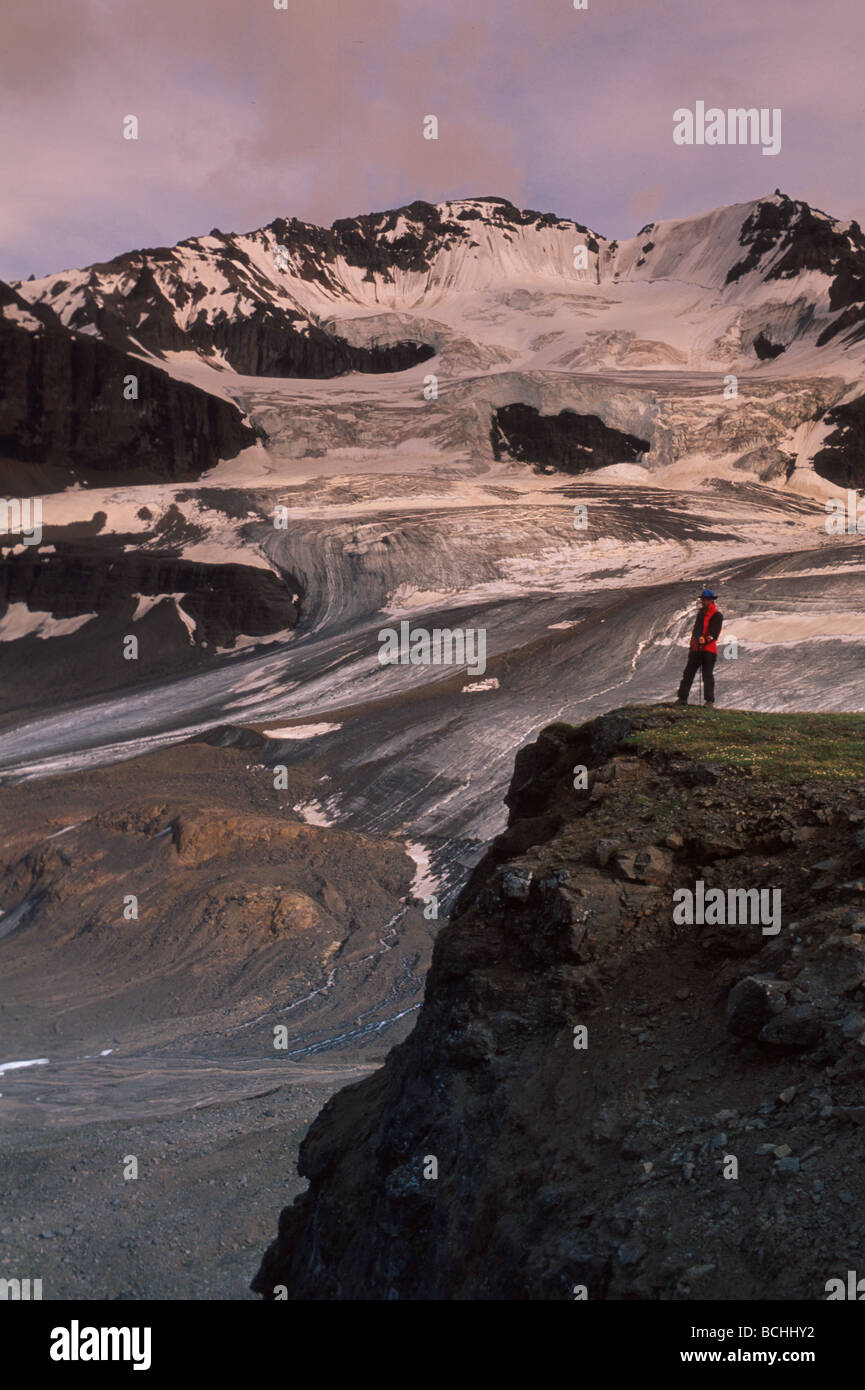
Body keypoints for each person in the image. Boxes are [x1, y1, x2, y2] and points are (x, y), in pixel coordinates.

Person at [676, 588, 723, 706]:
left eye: (705, 600)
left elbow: (714, 633)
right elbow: (695, 631)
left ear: (711, 601)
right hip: (696, 649)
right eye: (703, 599)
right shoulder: (700, 614)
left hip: (708, 650)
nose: (703, 602)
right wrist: (693, 645)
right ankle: (682, 698)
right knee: (688, 673)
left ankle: (709, 701)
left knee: (707, 675)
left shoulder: (717, 615)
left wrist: (705, 640)